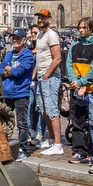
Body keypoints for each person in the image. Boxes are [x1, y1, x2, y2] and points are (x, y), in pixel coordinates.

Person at [65, 17, 93, 164]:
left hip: (91, 89)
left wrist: (82, 81)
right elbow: (68, 64)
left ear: (91, 29)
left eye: (84, 28)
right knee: (77, 121)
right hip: (75, 88)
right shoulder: (74, 45)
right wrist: (73, 80)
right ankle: (79, 151)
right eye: (80, 28)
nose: (81, 30)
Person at [33, 9, 65, 156]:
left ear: (49, 19)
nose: (40, 20)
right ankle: (52, 139)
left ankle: (58, 144)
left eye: (43, 17)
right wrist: (36, 75)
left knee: (52, 110)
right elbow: (39, 57)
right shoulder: (40, 34)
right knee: (44, 109)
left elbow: (57, 58)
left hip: (50, 77)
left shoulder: (52, 35)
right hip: (41, 77)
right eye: (39, 17)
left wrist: (46, 75)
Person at [0, 28, 36, 156]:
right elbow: (0, 70)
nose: (14, 40)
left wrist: (9, 69)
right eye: (13, 38)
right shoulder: (9, 54)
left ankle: (22, 148)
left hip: (21, 94)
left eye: (18, 38)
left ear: (24, 40)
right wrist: (10, 70)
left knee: (22, 123)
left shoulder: (27, 55)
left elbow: (18, 72)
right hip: (7, 92)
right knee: (4, 120)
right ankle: (4, 144)